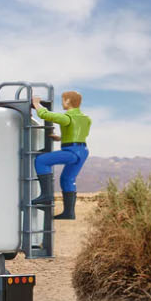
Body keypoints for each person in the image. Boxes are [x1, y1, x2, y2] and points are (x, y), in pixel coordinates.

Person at [32, 91, 92, 220]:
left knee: (41, 160)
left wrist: (36, 104)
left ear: (68, 101)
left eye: (63, 100)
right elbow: (79, 133)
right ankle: (69, 213)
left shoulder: (67, 117)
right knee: (67, 179)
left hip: (72, 151)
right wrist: (61, 138)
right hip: (83, 151)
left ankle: (46, 195)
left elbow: (45, 115)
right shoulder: (86, 118)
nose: (62, 102)